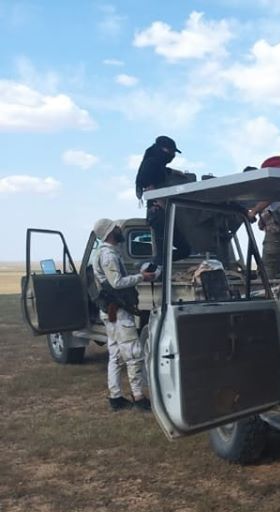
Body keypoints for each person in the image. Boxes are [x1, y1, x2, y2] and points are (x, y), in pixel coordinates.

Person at [92, 218, 154, 411]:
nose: (119, 230)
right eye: (116, 228)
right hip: (118, 312)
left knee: (116, 355)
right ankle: (138, 397)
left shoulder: (103, 253)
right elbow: (116, 283)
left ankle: (116, 397)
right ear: (110, 233)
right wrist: (141, 277)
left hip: (113, 312)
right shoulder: (108, 255)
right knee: (134, 354)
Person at [135, 135, 191, 273]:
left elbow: (162, 171)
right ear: (164, 149)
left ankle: (154, 266)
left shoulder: (156, 164)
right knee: (180, 250)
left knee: (177, 251)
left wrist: (175, 172)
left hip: (159, 212)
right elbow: (147, 184)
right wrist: (162, 204)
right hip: (158, 213)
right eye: (171, 152)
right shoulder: (151, 163)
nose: (172, 155)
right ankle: (149, 265)